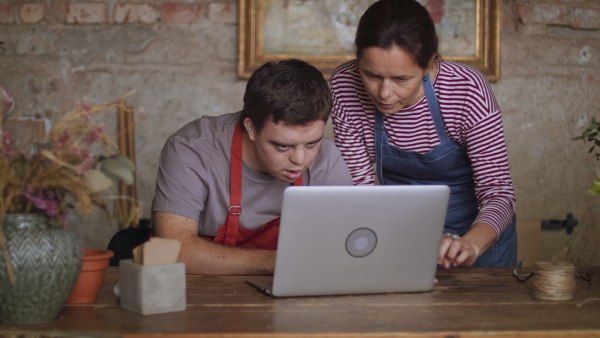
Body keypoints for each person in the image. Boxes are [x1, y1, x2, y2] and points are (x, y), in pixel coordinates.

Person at [330, 0, 517, 268]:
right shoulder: (344, 85)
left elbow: (499, 192)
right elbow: (360, 190)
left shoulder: (467, 90)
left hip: (477, 235)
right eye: (371, 75)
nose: (383, 93)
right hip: (397, 233)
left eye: (401, 79)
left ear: (429, 63)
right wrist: (404, 238)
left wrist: (470, 244)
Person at [152, 59, 352, 275]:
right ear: (252, 128)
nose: (300, 159)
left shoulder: (329, 159)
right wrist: (273, 262)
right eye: (283, 145)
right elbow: (173, 250)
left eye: (312, 143)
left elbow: (347, 246)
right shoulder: (192, 149)